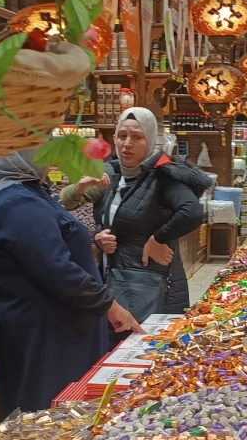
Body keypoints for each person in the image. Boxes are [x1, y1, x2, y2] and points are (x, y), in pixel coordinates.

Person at [0, 150, 142, 415]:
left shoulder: (27, 194)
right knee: (50, 423)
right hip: (48, 345)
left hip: (56, 336)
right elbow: (58, 270)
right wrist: (110, 305)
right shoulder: (13, 204)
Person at [64, 107, 209, 321]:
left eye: (137, 137)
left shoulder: (163, 176)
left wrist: (157, 239)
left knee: (147, 346)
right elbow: (66, 203)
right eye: (122, 136)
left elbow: (192, 212)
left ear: (150, 140)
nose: (127, 143)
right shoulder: (110, 174)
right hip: (113, 279)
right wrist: (98, 237)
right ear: (114, 138)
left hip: (151, 285)